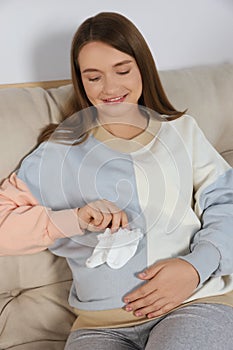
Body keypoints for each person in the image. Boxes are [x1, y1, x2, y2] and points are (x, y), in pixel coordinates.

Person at [0, 11, 233, 350]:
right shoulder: (58, 152)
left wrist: (196, 267)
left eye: (122, 70)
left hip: (191, 305)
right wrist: (74, 218)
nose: (110, 88)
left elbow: (226, 202)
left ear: (142, 67)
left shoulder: (180, 132)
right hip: (98, 328)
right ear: (80, 81)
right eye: (93, 77)